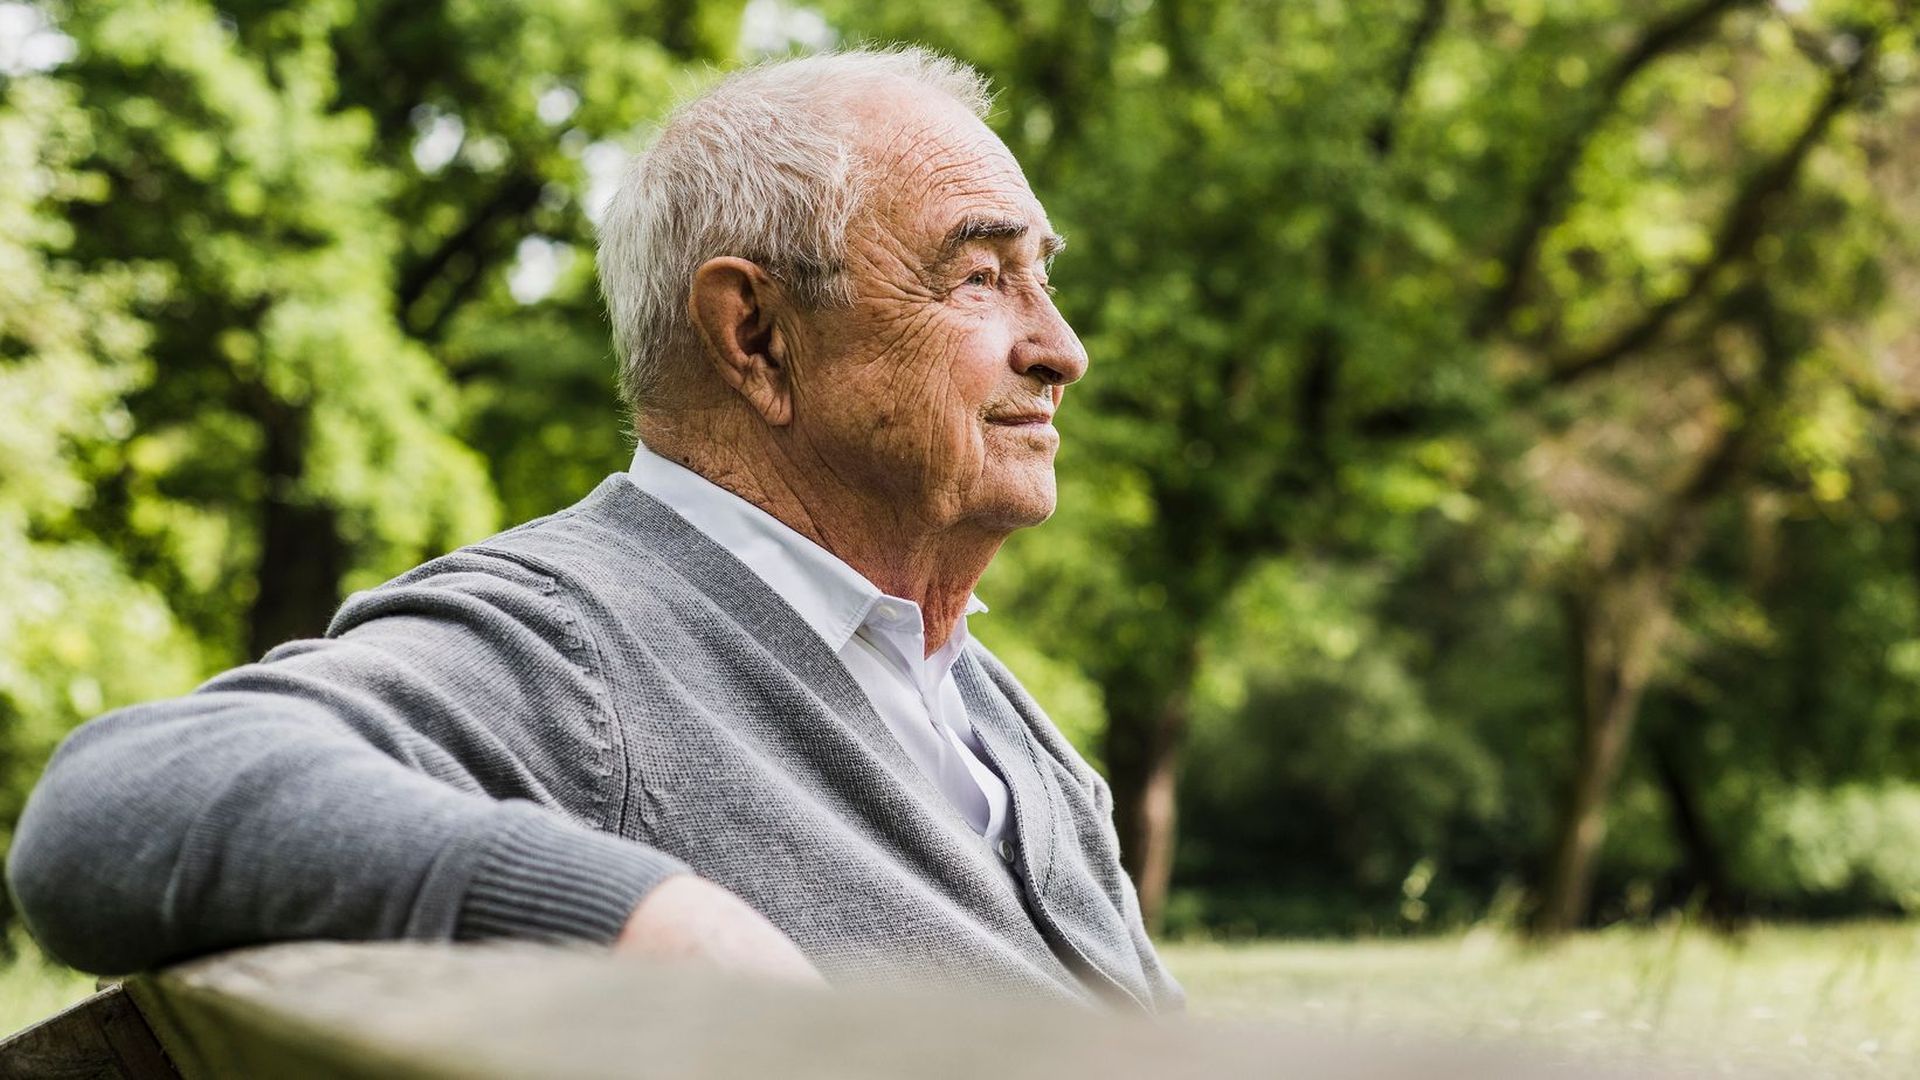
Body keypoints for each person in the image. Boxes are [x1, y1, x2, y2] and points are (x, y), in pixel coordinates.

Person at [6, 46, 1183, 1012]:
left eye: (1043, 279)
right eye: (980, 277)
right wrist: (633, 916)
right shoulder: (583, 649)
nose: (1059, 348)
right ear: (757, 337)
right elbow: (118, 805)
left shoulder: (987, 713)